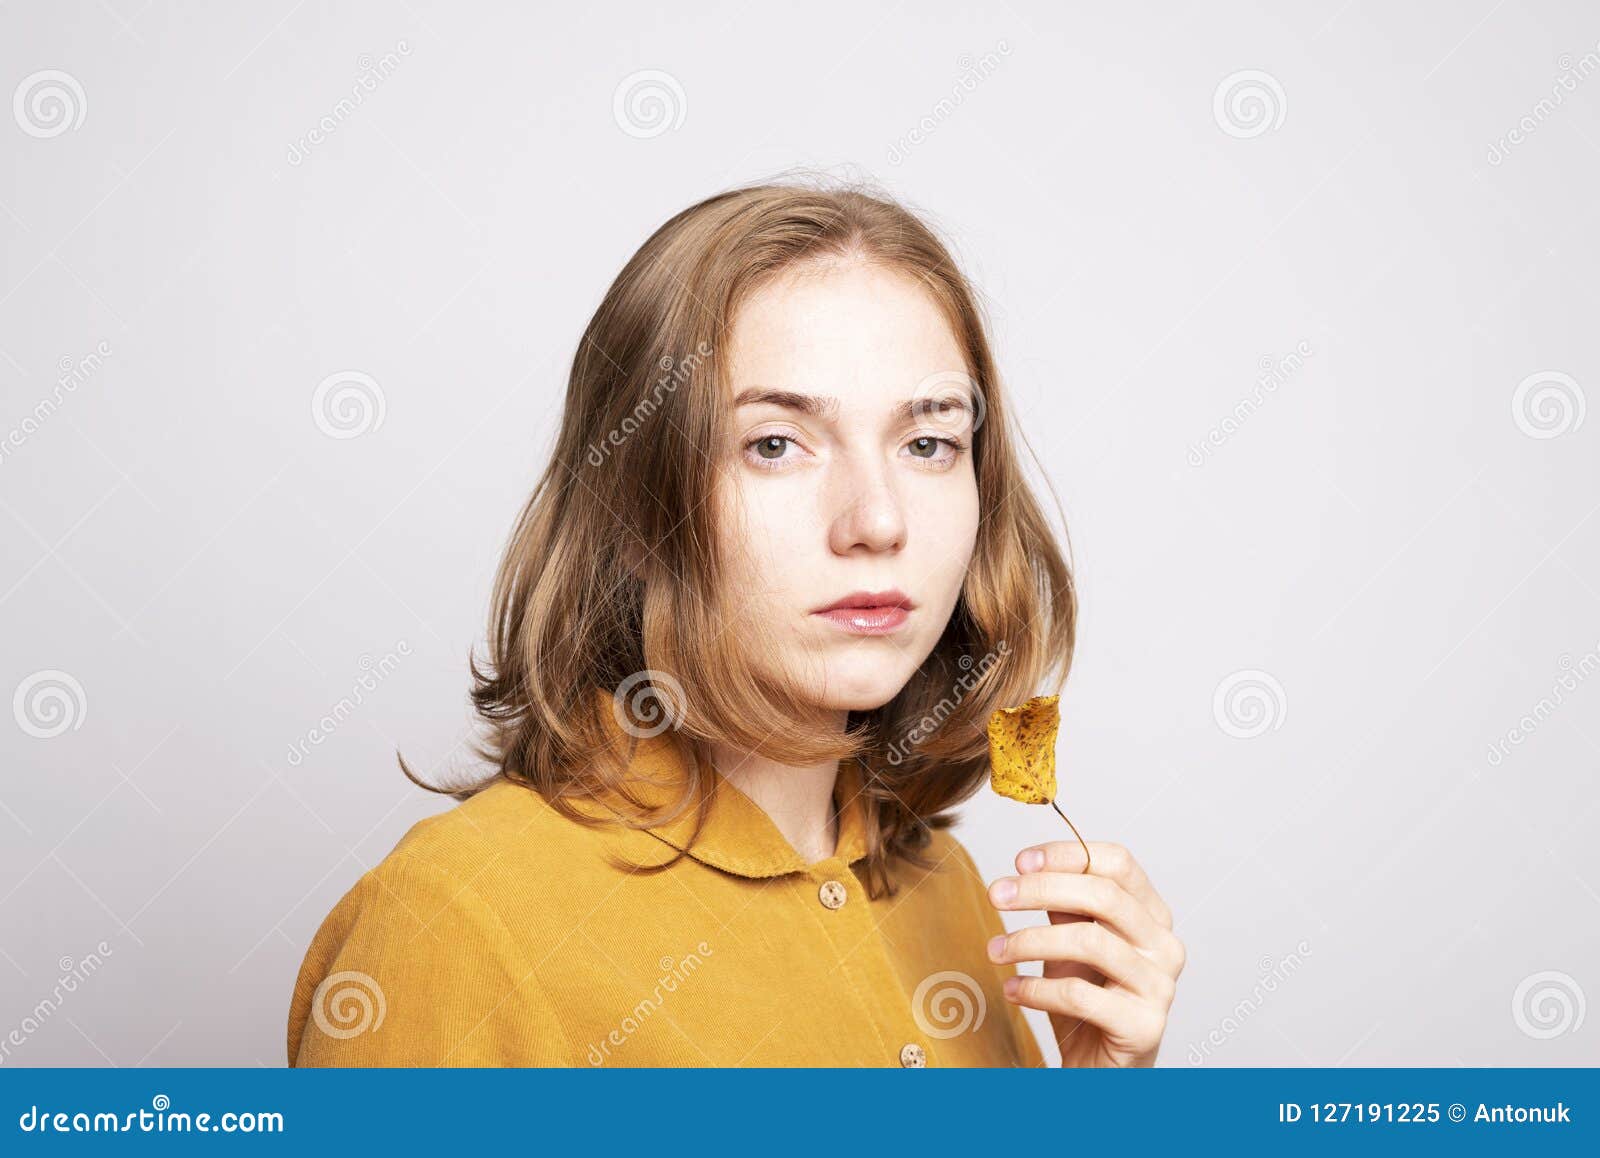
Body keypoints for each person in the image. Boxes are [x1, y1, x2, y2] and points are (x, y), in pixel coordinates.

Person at [286, 180, 1184, 1067]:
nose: (877, 521)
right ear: (635, 516)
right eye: (774, 445)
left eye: (927, 443)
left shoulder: (947, 893)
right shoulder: (455, 924)